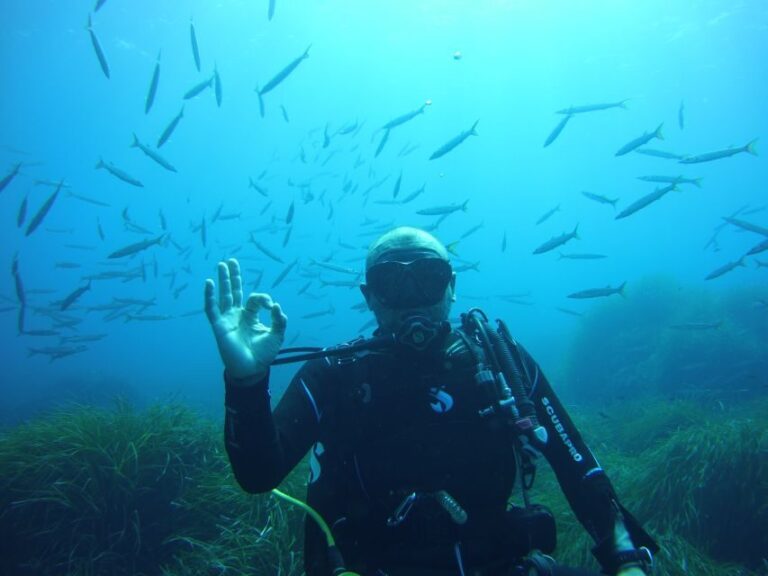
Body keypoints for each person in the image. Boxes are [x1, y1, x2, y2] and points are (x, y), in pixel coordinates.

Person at [204, 226, 657, 576]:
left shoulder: (502, 363)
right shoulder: (335, 375)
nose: (412, 301)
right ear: (370, 298)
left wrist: (626, 559)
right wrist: (246, 381)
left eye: (428, 278)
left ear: (451, 286)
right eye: (392, 285)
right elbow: (259, 473)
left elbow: (576, 464)